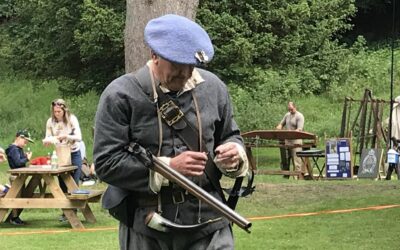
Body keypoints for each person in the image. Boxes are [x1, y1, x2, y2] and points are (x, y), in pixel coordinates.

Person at [94, 14, 249, 250]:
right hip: (146, 227)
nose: (185, 73)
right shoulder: (120, 95)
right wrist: (169, 168)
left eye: (192, 65)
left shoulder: (214, 88)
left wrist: (234, 153)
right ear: (154, 55)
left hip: (210, 224)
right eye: (177, 64)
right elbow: (107, 163)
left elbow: (230, 134)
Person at [42, 99, 83, 221]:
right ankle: (66, 212)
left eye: (59, 111)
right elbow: (48, 136)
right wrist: (48, 141)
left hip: (73, 153)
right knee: (62, 184)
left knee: (73, 184)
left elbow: (79, 137)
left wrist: (66, 136)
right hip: (60, 154)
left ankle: (73, 211)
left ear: (64, 110)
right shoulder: (50, 122)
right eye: (55, 111)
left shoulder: (72, 119)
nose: (57, 114)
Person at [5, 129, 34, 225]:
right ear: (18, 138)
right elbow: (17, 163)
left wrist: (24, 157)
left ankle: (15, 217)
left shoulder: (18, 149)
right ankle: (14, 218)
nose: (25, 144)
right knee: (16, 198)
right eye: (24, 141)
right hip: (15, 177)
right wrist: (26, 158)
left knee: (20, 196)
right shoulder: (13, 149)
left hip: (20, 177)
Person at [276, 101, 305, 175]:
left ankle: (297, 176)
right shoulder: (287, 115)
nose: (290, 111)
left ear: (295, 107)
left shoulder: (299, 116)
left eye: (291, 109)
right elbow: (281, 124)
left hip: (296, 141)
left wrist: (292, 132)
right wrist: (279, 127)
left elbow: (299, 129)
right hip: (287, 141)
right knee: (285, 159)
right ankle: (286, 175)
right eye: (289, 109)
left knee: (296, 159)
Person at [385, 96, 400, 180]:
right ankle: (389, 176)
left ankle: (391, 175)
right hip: (395, 141)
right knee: (393, 159)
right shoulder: (395, 114)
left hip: (396, 141)